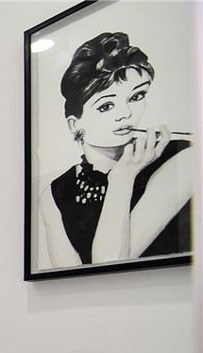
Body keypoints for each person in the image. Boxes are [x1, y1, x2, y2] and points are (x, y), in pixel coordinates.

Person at [40, 32, 193, 267]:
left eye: (136, 96)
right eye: (107, 106)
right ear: (75, 124)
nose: (126, 114)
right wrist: (122, 177)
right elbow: (70, 278)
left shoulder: (184, 158)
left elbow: (110, 262)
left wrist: (122, 178)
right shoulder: (57, 192)